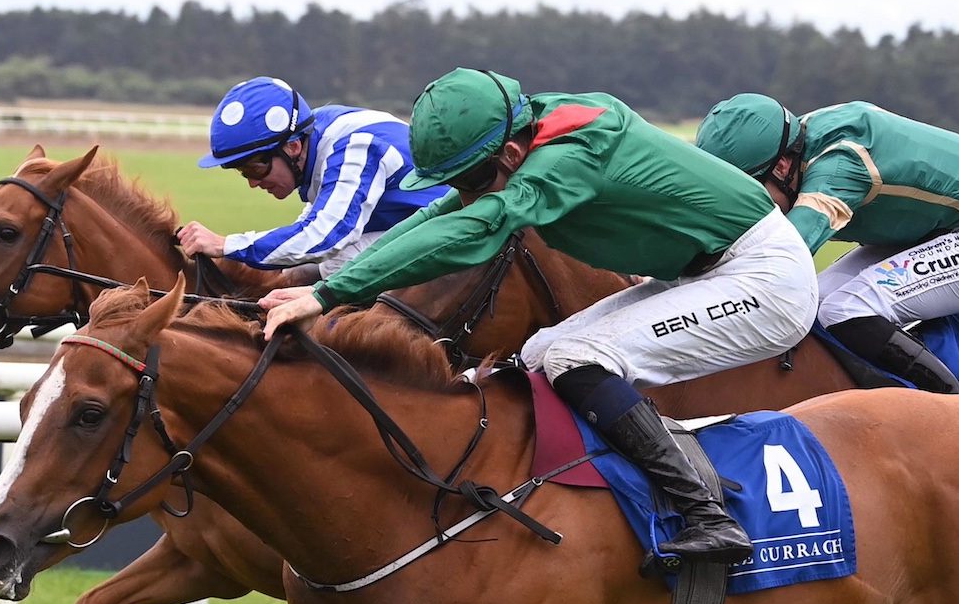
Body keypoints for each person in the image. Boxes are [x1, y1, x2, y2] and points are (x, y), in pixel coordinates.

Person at [261, 68, 819, 566]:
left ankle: (708, 515)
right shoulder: (527, 135)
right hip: (702, 271)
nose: (464, 194)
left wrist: (329, 299)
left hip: (765, 277)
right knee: (537, 354)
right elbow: (440, 214)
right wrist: (322, 287)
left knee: (578, 356)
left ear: (507, 153)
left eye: (470, 181)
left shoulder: (571, 155)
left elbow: (480, 226)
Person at [693, 94, 959, 395]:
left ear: (781, 167)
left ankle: (955, 408)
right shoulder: (791, 144)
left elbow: (785, 255)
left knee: (846, 309)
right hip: (926, 230)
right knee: (816, 304)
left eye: (751, 192)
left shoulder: (841, 167)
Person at [176, 76, 444, 282]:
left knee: (339, 262)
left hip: (452, 241)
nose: (253, 183)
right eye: (242, 172)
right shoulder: (314, 135)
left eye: (255, 168)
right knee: (296, 272)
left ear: (292, 147)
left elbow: (326, 236)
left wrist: (226, 245)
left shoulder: (356, 146)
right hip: (411, 230)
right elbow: (308, 230)